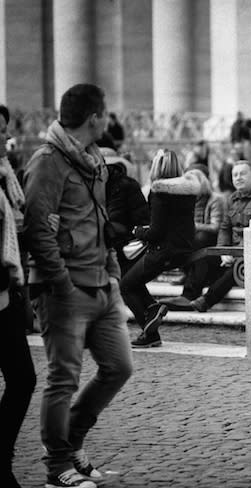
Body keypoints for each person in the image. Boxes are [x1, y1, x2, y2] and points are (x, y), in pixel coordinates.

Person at [23, 84, 133, 488]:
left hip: (102, 286)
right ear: (94, 118)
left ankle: (73, 441)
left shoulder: (95, 159)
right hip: (64, 291)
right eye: (105, 114)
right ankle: (57, 467)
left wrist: (114, 276)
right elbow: (38, 229)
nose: (108, 120)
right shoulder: (46, 162)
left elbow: (101, 223)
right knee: (63, 380)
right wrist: (63, 284)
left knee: (119, 367)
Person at [120, 149, 202, 348]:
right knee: (134, 281)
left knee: (126, 285)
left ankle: (150, 326)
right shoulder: (188, 190)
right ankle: (151, 315)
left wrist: (138, 231)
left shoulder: (159, 191)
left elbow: (156, 232)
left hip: (163, 250)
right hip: (183, 248)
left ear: (156, 166)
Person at [0, 104, 36, 488]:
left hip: (7, 292)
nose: (4, 139)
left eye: (4, 130)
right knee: (21, 378)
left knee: (23, 379)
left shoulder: (7, 177)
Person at [189, 159, 251, 313]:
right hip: (234, 252)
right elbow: (225, 227)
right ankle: (189, 294)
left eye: (242, 174)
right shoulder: (233, 198)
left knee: (236, 269)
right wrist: (224, 251)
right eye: (235, 175)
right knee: (203, 257)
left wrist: (235, 253)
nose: (238, 178)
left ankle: (206, 300)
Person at [159, 167, 227, 310]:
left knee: (200, 240)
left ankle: (189, 295)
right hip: (197, 246)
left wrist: (193, 226)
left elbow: (216, 227)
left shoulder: (216, 199)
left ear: (202, 183)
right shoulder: (187, 201)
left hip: (213, 245)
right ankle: (188, 285)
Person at [104, 150, 150, 273]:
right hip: (121, 241)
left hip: (122, 243)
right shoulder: (128, 184)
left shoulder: (122, 186)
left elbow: (141, 219)